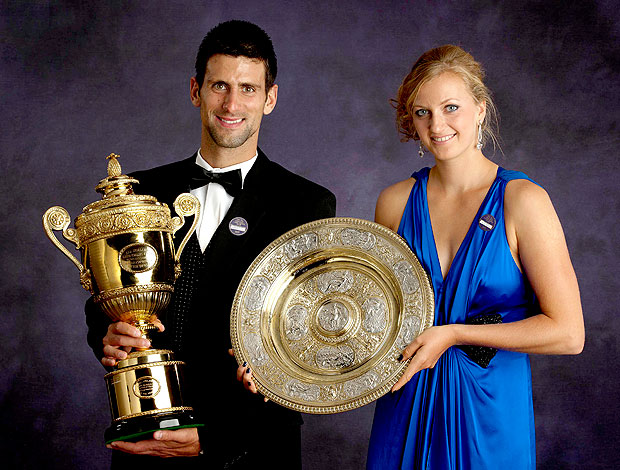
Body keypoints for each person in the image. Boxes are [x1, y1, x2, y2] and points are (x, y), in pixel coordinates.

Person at [85, 20, 336, 469]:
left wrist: (211, 439)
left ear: (270, 98)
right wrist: (108, 334)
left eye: (248, 89)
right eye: (219, 85)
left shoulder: (307, 203)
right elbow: (103, 300)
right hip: (148, 443)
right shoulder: (139, 193)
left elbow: (308, 355)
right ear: (195, 90)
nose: (232, 104)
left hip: (251, 451)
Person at [366, 45, 584, 469]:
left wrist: (455, 334)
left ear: (480, 110)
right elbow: (377, 316)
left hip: (490, 415)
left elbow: (569, 333)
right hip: (406, 409)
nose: (438, 125)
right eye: (422, 112)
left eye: (451, 108)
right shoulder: (394, 202)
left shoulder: (523, 201)